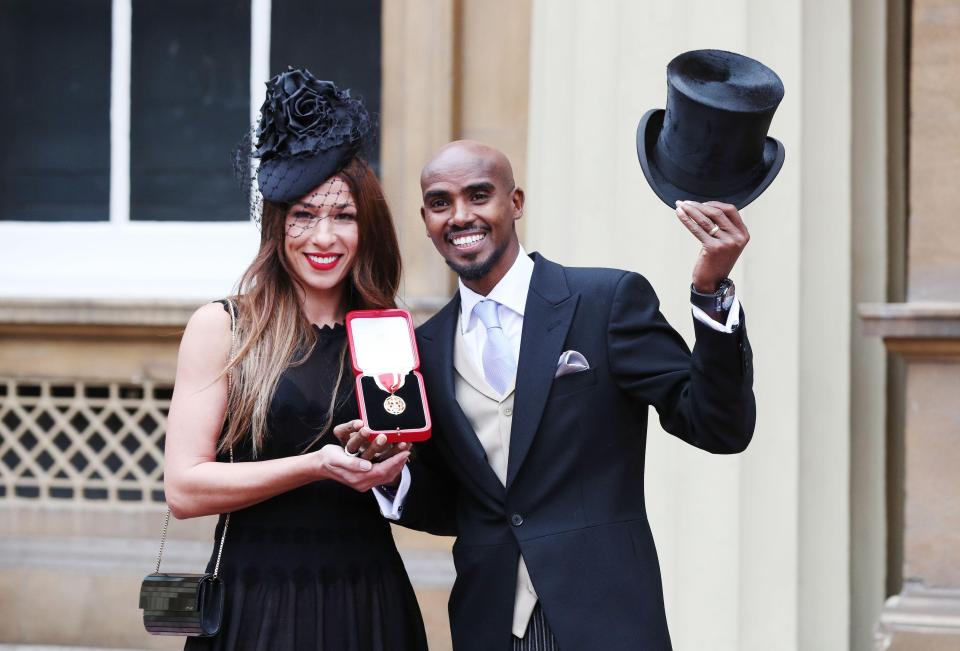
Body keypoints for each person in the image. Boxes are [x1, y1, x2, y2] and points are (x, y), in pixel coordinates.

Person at [343, 139, 756, 650]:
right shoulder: (421, 349)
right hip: (490, 625)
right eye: (440, 202)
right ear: (426, 218)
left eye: (479, 195)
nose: (460, 215)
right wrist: (390, 473)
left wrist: (711, 292)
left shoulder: (605, 301)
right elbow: (461, 506)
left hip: (609, 620)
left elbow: (718, 426)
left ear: (515, 203)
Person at [162, 68, 427, 651]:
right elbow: (184, 489)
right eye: (303, 216)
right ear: (277, 225)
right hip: (257, 601)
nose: (323, 237)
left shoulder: (388, 333)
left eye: (344, 215)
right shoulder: (226, 328)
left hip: (368, 597)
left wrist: (384, 462)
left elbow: (424, 479)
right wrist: (315, 466)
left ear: (368, 227)